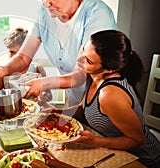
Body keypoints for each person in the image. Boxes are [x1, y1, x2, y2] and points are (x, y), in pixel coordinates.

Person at [0, 0, 117, 107]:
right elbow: (23, 57)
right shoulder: (45, 12)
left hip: (105, 98)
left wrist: (44, 83)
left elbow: (81, 75)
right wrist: (2, 70)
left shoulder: (97, 15)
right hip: (76, 99)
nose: (46, 3)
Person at [45, 30, 160, 167]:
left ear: (109, 70)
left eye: (88, 60)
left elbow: (138, 142)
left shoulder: (109, 94)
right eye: (83, 50)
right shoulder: (93, 75)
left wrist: (95, 141)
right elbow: (83, 109)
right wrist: (55, 113)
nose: (79, 60)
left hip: (141, 160)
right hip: (111, 151)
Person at [0, 27, 52, 101]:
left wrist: (44, 96)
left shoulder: (37, 69)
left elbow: (49, 96)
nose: (14, 57)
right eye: (11, 52)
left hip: (32, 109)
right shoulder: (2, 72)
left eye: (19, 54)